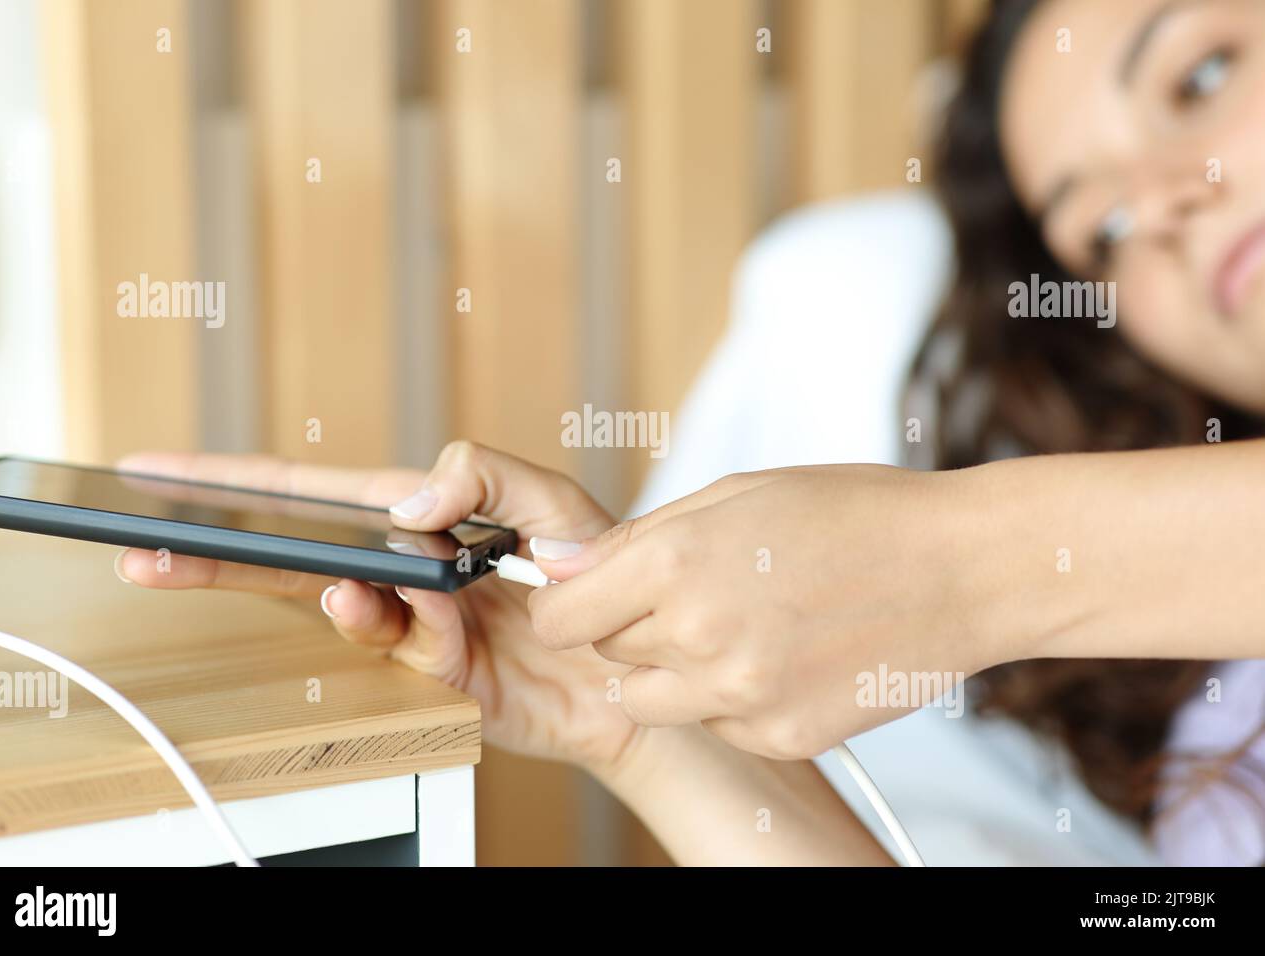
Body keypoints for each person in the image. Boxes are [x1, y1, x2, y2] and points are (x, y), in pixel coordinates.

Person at [117, 0, 1265, 864]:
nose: (1160, 203)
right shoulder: (1203, 732)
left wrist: (970, 564)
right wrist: (637, 730)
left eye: (1201, 73)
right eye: (1099, 224)